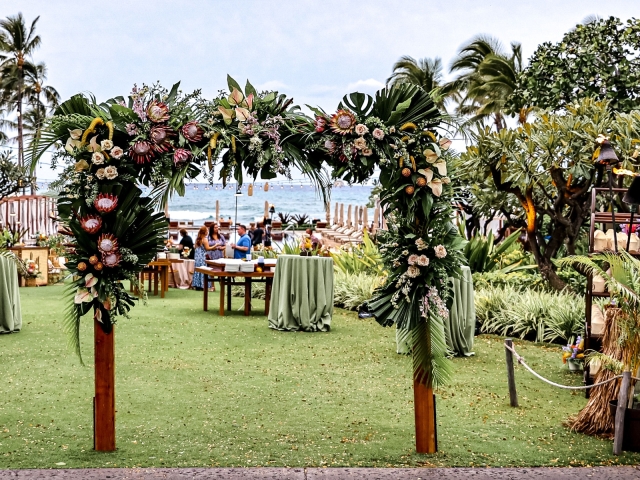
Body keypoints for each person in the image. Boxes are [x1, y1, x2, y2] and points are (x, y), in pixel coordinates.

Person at [191, 226, 217, 290]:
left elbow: (195, 247)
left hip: (197, 256)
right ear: (205, 232)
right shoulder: (205, 239)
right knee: (203, 270)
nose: (207, 232)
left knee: (198, 270)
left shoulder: (197, 239)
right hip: (202, 256)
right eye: (207, 231)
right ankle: (203, 284)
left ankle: (197, 284)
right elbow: (207, 248)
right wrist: (215, 246)